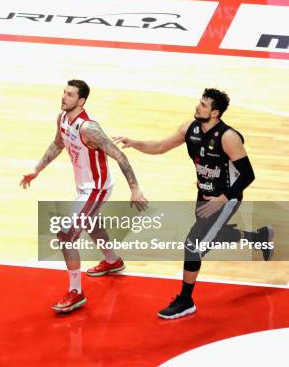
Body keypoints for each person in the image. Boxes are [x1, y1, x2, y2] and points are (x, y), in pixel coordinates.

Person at [113, 88, 274, 319]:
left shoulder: (228, 137)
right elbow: (160, 147)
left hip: (225, 199)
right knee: (210, 236)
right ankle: (259, 237)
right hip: (204, 196)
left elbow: (248, 175)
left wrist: (223, 198)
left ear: (215, 113)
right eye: (200, 102)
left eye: (204, 105)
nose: (198, 106)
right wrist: (134, 142)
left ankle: (186, 300)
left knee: (193, 244)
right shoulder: (190, 128)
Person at [20, 79, 148, 313]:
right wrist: (37, 169)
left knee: (66, 233)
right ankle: (113, 261)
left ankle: (76, 292)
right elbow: (57, 144)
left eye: (70, 95)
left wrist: (135, 188)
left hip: (97, 188)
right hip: (83, 187)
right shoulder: (62, 119)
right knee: (91, 223)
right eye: (64, 93)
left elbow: (120, 156)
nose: (64, 97)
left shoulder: (89, 129)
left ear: (81, 101)